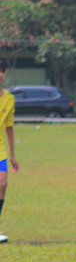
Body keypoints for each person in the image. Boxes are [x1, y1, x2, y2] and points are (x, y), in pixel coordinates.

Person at [0, 62, 18, 244]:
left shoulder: (9, 99)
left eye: (1, 72)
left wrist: (12, 155)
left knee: (2, 185)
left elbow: (9, 128)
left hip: (0, 150)